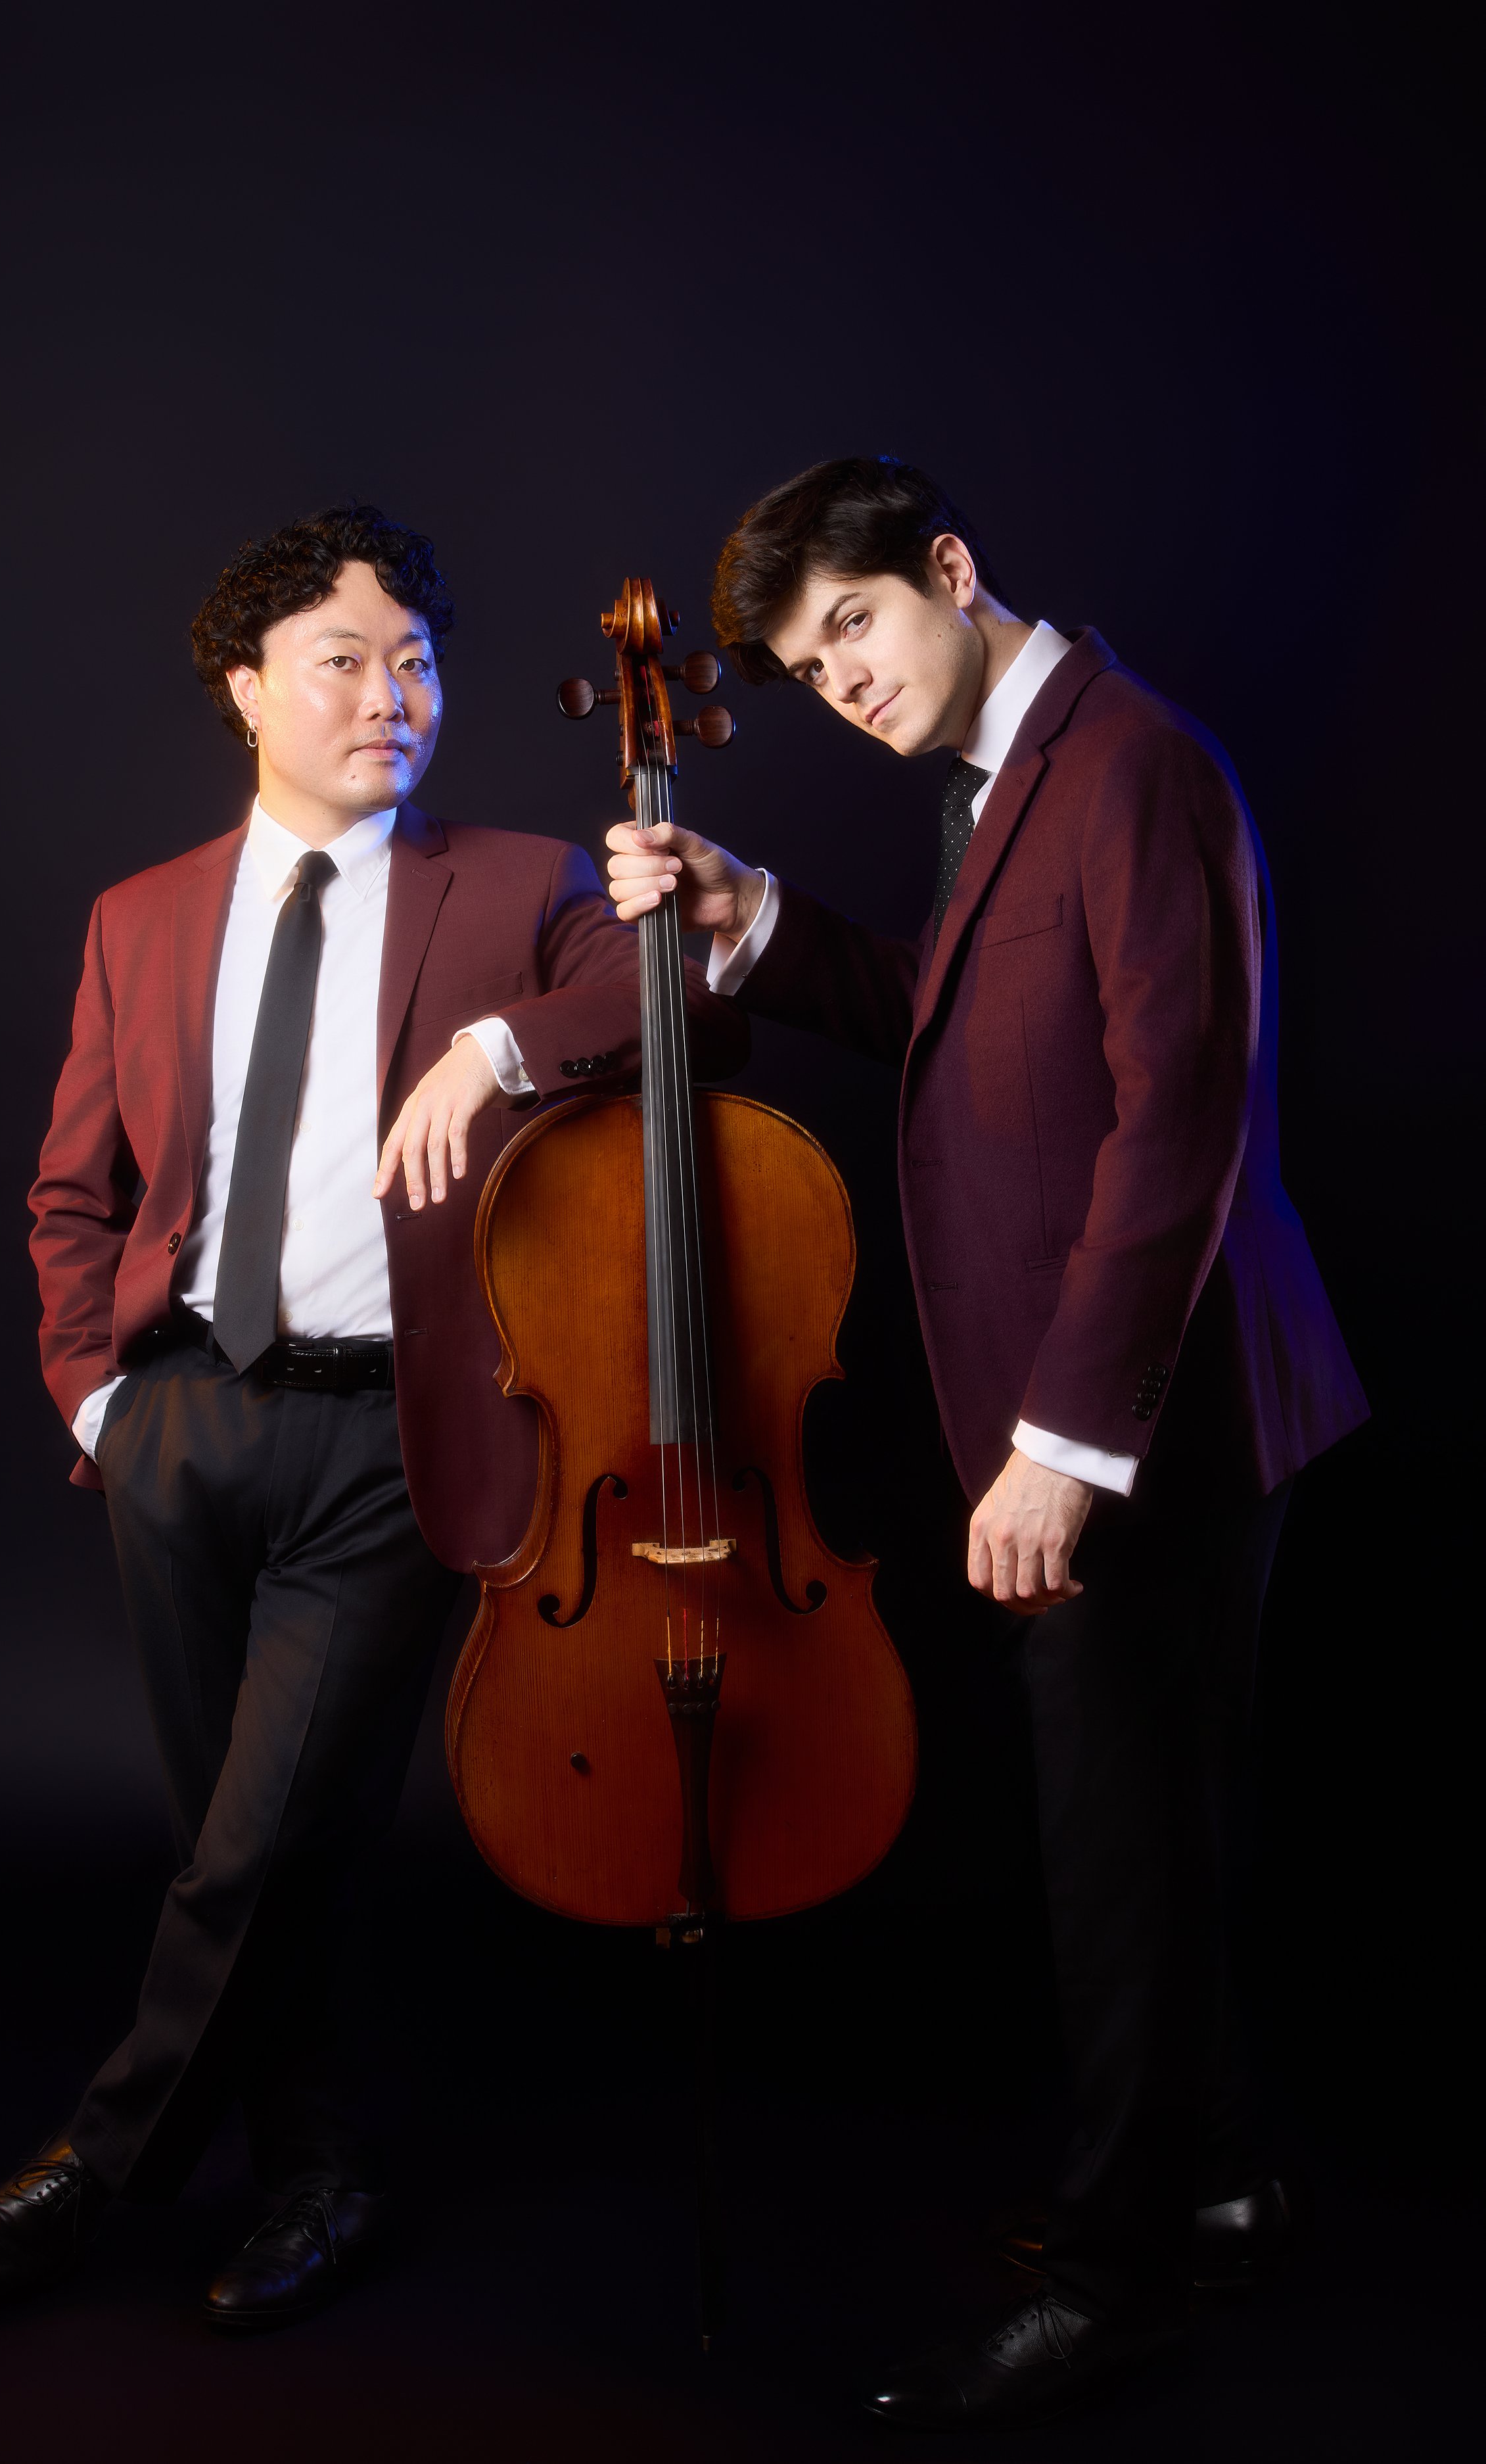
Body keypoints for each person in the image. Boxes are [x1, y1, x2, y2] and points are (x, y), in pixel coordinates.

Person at [605, 456, 1367, 2430]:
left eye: (855, 624)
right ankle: (1219, 2186)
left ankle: (1117, 2283)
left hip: (1153, 1412)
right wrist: (759, 915)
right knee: (1163, 1826)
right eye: (808, 665)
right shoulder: (998, 773)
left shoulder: (1131, 765)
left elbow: (1178, 1118)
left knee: (1117, 1852)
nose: (842, 680)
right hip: (1118, 1400)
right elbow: (965, 1026)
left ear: (948, 570)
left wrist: (1065, 1442)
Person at [0, 504, 747, 2331]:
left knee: (255, 1836)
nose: (396, 698)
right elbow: (73, 1190)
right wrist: (98, 1401)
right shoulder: (141, 915)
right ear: (247, 689)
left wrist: (497, 1044)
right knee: (251, 1847)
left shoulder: (519, 878)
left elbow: (682, 1005)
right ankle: (318, 2173)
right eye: (346, 662)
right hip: (179, 1427)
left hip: (396, 1438)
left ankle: (101, 2159)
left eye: (419, 664)